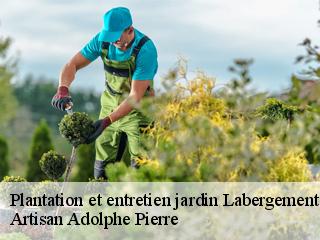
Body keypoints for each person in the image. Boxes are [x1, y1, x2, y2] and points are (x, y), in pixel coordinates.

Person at [51, 7, 158, 179]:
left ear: (130, 30)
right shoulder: (102, 40)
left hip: (139, 111)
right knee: (102, 169)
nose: (112, 41)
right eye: (109, 36)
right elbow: (72, 64)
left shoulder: (146, 50)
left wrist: (106, 121)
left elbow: (134, 97)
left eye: (116, 36)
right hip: (109, 104)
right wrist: (63, 88)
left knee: (142, 167)